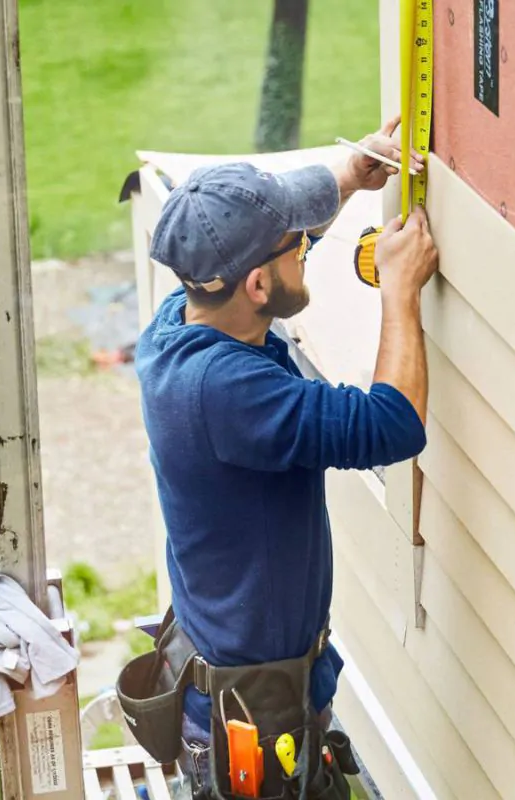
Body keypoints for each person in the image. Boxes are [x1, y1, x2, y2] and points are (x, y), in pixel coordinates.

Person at [134, 117, 439, 790]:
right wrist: (400, 292)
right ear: (257, 288)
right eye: (295, 244)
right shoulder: (230, 394)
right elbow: (392, 424)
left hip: (244, 683)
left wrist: (350, 180)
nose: (310, 244)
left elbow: (265, 244)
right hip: (251, 718)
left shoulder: (180, 323)